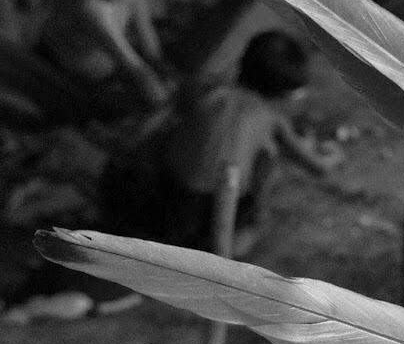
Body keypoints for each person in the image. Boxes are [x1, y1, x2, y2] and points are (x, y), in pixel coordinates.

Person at [106, 30, 338, 254]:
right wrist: (223, 262)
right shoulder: (269, 121)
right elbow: (228, 186)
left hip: (151, 186)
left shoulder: (205, 88)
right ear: (285, 93)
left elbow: (157, 123)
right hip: (189, 218)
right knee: (267, 159)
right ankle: (238, 236)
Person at [34, 0, 173, 126]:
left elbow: (149, 44)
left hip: (106, 73)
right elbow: (131, 64)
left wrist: (163, 73)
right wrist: (164, 102)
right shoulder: (88, 7)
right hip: (59, 74)